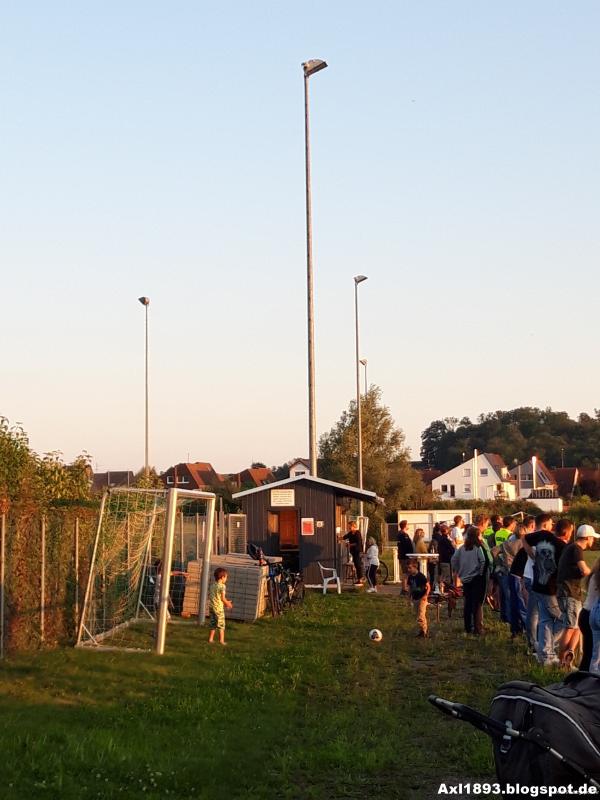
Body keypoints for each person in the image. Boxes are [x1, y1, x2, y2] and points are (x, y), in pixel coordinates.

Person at [524, 515, 571, 667]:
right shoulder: (563, 547)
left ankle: (545, 654)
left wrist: (532, 555)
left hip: (538, 584)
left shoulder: (543, 535)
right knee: (565, 620)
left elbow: (524, 538)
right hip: (549, 589)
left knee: (545, 620)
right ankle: (546, 649)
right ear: (568, 532)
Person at [556, 524, 599, 667]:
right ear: (587, 538)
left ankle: (568, 658)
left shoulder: (571, 547)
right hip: (569, 592)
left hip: (572, 591)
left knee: (577, 627)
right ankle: (561, 661)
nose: (593, 541)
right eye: (592, 538)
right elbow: (585, 570)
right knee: (570, 627)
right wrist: (595, 574)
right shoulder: (576, 549)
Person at [452, 526, 486, 635]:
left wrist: (459, 571)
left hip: (465, 578)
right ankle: (476, 628)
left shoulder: (462, 548)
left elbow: (453, 560)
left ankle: (468, 627)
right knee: (476, 604)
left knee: (467, 603)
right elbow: (483, 561)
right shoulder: (478, 547)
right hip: (476, 578)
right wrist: (480, 573)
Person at [580, 558, 600, 671]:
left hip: (586, 613)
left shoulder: (594, 574)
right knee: (593, 655)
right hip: (594, 614)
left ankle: (581, 680)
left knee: (589, 654)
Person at [208, 567, 233, 645]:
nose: (226, 579)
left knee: (213, 623)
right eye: (226, 577)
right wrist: (228, 603)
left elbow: (215, 597)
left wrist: (225, 602)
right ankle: (221, 641)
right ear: (222, 577)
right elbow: (222, 598)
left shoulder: (212, 586)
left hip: (211, 607)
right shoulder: (222, 586)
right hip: (218, 609)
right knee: (221, 625)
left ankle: (211, 639)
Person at [406, 559, 429, 638]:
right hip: (415, 598)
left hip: (422, 598)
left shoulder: (421, 576)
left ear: (415, 567)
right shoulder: (410, 577)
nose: (408, 570)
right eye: (408, 568)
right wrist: (409, 599)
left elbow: (428, 586)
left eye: (410, 568)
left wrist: (426, 595)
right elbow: (410, 588)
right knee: (417, 615)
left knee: (421, 615)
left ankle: (424, 631)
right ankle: (421, 630)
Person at [342, 521, 364, 585]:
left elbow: (358, 543)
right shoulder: (350, 533)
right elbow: (344, 537)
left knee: (358, 565)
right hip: (353, 552)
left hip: (358, 551)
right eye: (348, 526)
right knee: (356, 565)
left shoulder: (357, 533)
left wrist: (350, 544)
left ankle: (360, 579)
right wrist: (339, 538)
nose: (348, 527)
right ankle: (359, 579)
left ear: (353, 526)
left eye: (350, 526)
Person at [397, 520, 414, 594]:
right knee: (406, 573)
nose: (408, 526)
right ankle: (404, 589)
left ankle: (405, 588)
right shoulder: (403, 535)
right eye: (407, 524)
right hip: (405, 556)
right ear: (405, 525)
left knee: (406, 572)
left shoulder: (400, 534)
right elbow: (406, 546)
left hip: (403, 556)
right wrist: (410, 555)